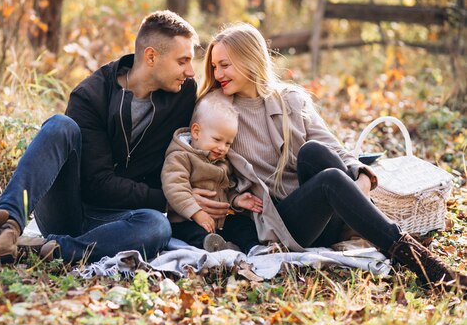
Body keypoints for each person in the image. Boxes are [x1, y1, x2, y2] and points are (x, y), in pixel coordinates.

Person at [197, 22, 467, 290]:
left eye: (225, 65)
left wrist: (361, 174)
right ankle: (425, 264)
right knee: (330, 180)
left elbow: (332, 145)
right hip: (282, 222)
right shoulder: (218, 112)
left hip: (324, 215)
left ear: (249, 60)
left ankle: (382, 236)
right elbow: (209, 169)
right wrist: (233, 198)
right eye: (214, 66)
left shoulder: (290, 99)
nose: (217, 73)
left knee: (314, 151)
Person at [0, 10, 199, 267]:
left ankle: (50, 250)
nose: (190, 71)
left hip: (124, 220)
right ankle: (3, 232)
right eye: (182, 61)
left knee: (157, 226)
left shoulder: (183, 94)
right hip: (70, 209)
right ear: (151, 56)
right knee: (60, 126)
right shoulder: (91, 95)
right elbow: (97, 184)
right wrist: (167, 199)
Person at [161, 96, 263, 253]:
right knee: (196, 235)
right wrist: (197, 213)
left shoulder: (221, 162)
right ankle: (216, 250)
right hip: (185, 220)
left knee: (243, 224)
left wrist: (236, 200)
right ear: (196, 132)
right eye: (217, 139)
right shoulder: (180, 156)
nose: (222, 148)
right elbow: (174, 188)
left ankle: (253, 248)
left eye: (228, 143)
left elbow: (225, 190)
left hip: (219, 221)